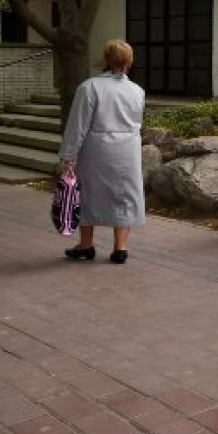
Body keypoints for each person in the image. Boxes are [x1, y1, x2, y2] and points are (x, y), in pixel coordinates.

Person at [59, 39, 147, 265]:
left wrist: (69, 155)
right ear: (129, 61)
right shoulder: (137, 91)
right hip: (128, 147)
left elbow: (77, 125)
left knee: (88, 193)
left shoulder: (89, 87)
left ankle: (86, 244)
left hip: (97, 147)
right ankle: (120, 247)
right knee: (124, 195)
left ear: (106, 60)